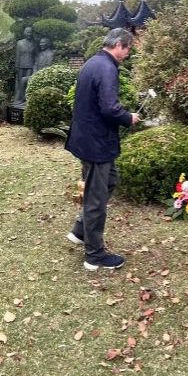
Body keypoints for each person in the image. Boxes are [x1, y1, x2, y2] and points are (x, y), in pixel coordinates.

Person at [65, 28, 141, 270]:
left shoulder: (93, 62)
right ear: (118, 45)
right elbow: (109, 108)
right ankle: (94, 255)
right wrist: (128, 117)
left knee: (110, 180)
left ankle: (80, 230)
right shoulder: (107, 68)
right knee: (96, 199)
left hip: (87, 139)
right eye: (128, 48)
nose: (128, 53)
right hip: (96, 143)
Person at [14, 26, 36, 104]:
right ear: (24, 33)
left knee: (27, 82)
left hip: (30, 66)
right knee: (20, 83)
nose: (29, 34)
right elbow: (17, 55)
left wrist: (35, 66)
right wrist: (17, 66)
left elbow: (35, 56)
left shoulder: (34, 43)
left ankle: (26, 99)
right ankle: (19, 99)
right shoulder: (19, 43)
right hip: (21, 66)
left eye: (30, 32)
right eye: (27, 32)